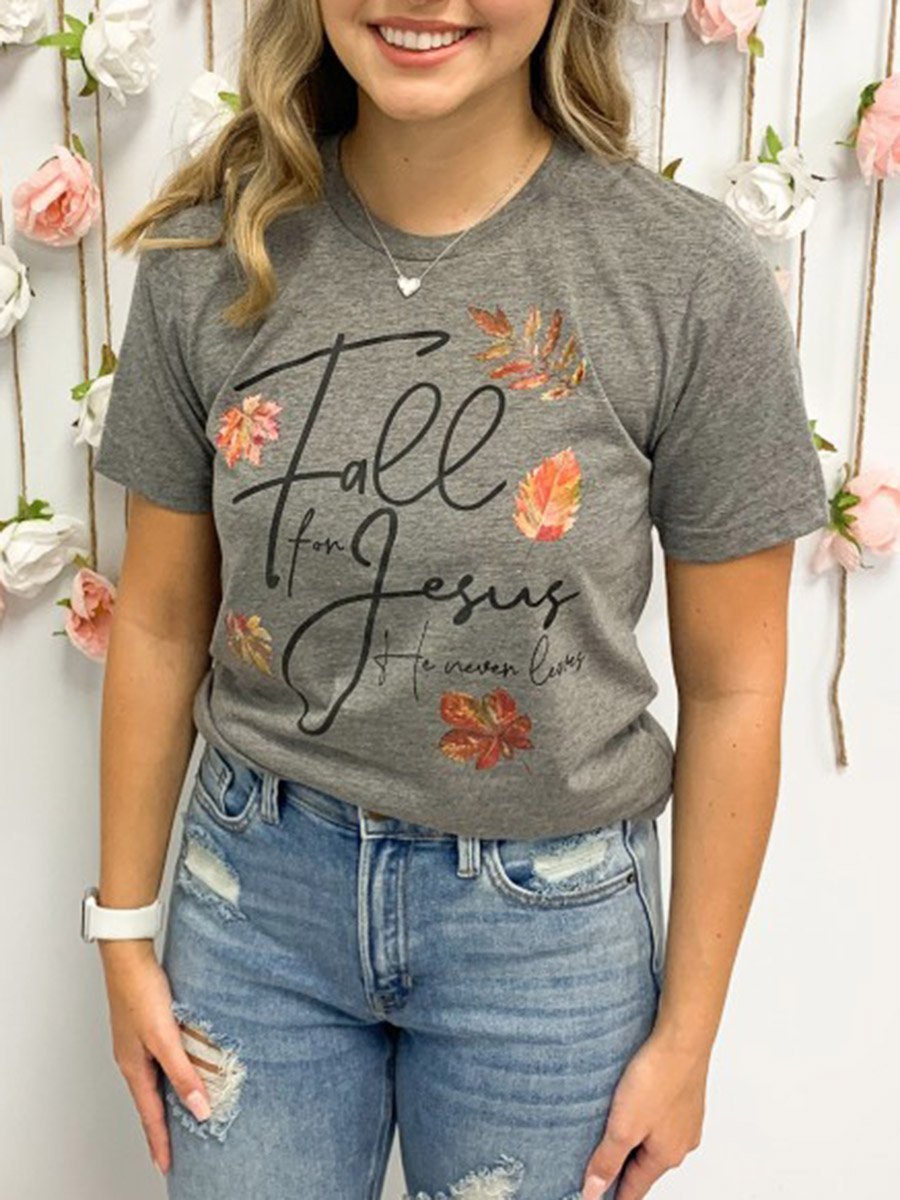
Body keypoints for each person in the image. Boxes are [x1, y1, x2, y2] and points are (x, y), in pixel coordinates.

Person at [85, 2, 829, 1198]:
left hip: (551, 938)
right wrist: (122, 933)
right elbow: (164, 620)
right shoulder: (214, 254)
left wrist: (690, 1037)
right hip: (255, 904)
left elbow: (738, 684)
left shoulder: (687, 280)